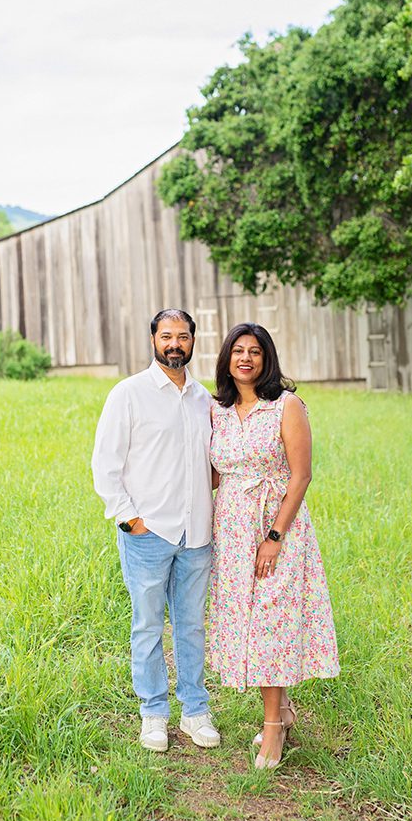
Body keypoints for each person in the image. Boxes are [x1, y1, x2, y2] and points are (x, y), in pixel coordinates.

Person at [208, 322, 339, 768]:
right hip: (230, 534)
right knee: (247, 623)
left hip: (275, 530)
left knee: (270, 624)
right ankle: (281, 712)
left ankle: (272, 731)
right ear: (227, 359)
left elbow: (301, 475)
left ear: (267, 360)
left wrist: (274, 537)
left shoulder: (287, 406)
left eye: (255, 352)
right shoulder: (217, 411)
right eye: (238, 350)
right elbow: (214, 473)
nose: (246, 358)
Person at [91, 309, 220, 753]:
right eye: (167, 336)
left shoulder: (206, 399)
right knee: (147, 626)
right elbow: (105, 464)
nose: (175, 344)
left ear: (193, 343)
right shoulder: (129, 394)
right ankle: (153, 714)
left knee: (190, 626)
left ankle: (195, 711)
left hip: (197, 534)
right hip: (148, 534)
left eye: (183, 337)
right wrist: (130, 519)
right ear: (153, 339)